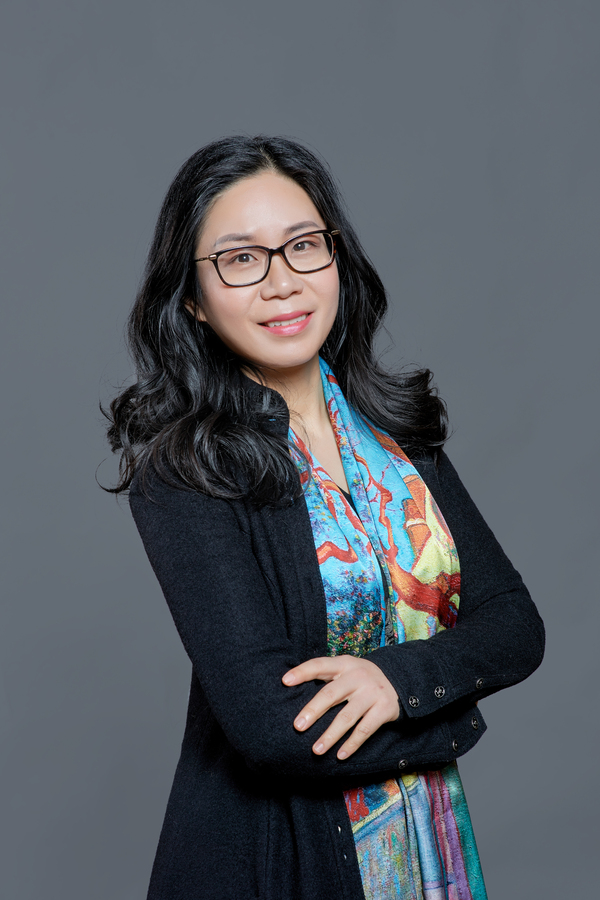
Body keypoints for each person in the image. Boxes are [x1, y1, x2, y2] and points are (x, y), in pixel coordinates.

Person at [106, 135, 545, 900]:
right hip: (275, 866)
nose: (282, 282)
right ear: (193, 299)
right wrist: (457, 722)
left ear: (336, 258)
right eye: (242, 259)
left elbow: (514, 625)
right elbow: (275, 729)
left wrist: (396, 681)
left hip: (430, 852)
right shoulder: (185, 470)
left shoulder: (398, 434)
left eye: (303, 245)